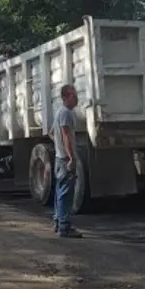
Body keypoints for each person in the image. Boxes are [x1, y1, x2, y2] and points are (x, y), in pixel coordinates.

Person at [53, 84, 82, 238]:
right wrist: (71, 157)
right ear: (65, 97)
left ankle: (58, 222)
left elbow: (52, 133)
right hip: (65, 159)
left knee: (59, 192)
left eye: (75, 94)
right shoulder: (65, 113)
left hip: (59, 158)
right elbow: (66, 136)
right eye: (73, 95)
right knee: (65, 193)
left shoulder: (60, 112)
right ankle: (64, 226)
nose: (76, 98)